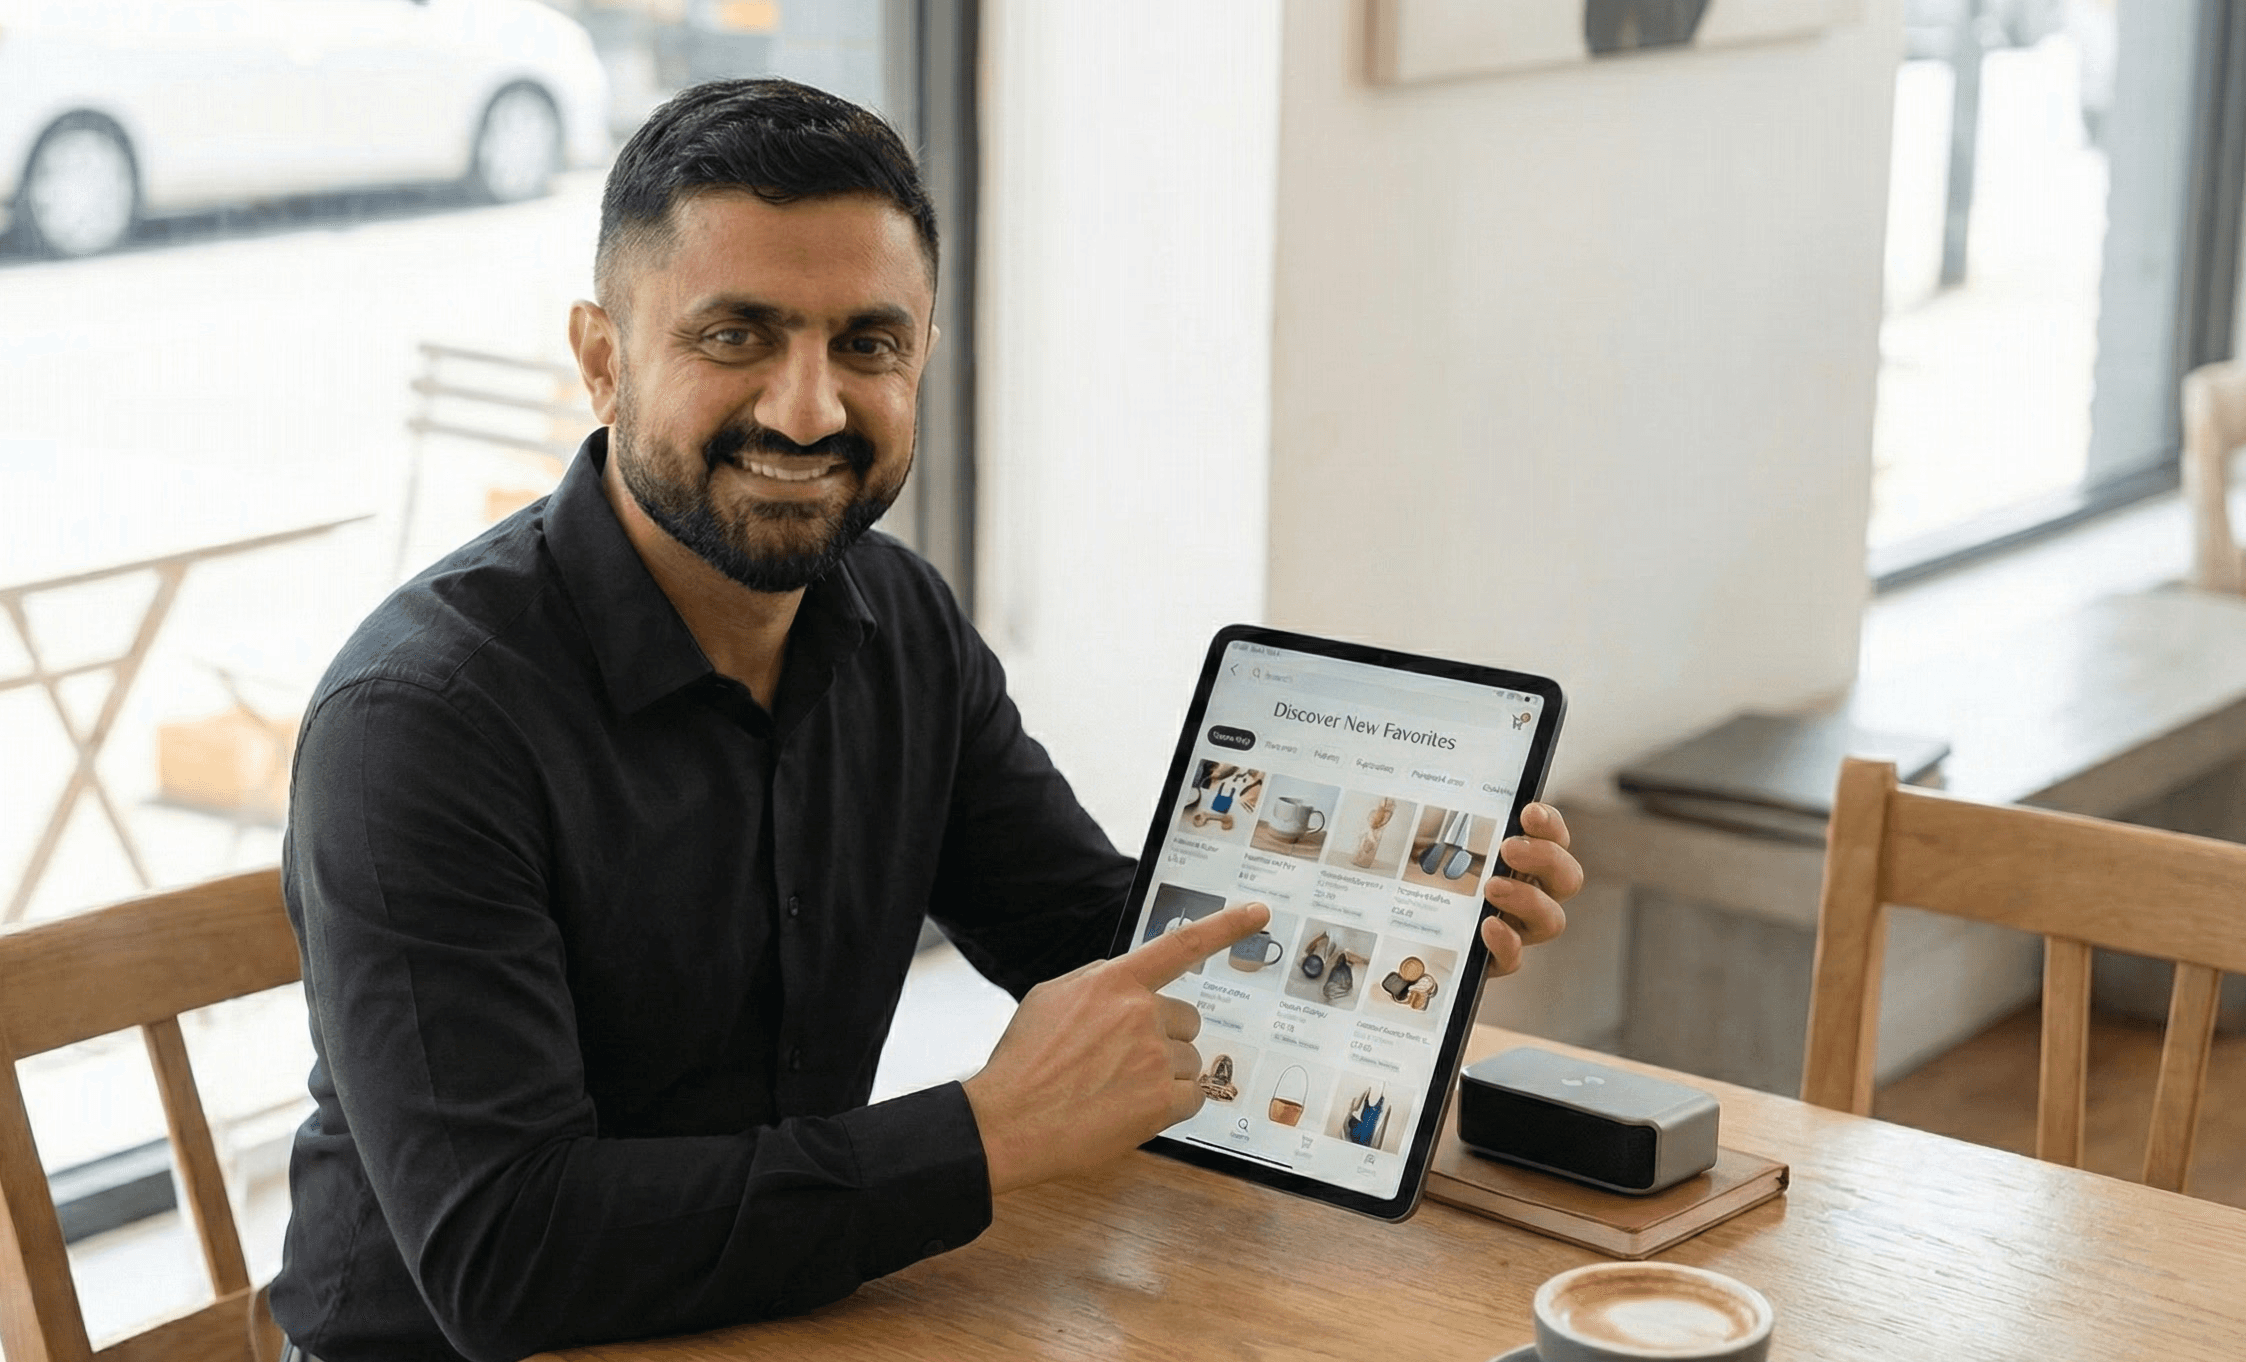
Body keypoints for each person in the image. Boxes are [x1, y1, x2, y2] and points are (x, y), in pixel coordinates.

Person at [269, 78, 1583, 1362]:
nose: (809, 408)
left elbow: (1089, 944)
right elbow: (509, 1260)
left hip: (792, 1312)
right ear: (604, 359)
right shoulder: (418, 726)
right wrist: (985, 1134)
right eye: (736, 335)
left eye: (866, 343)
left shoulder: (896, 616)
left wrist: (1387, 917)